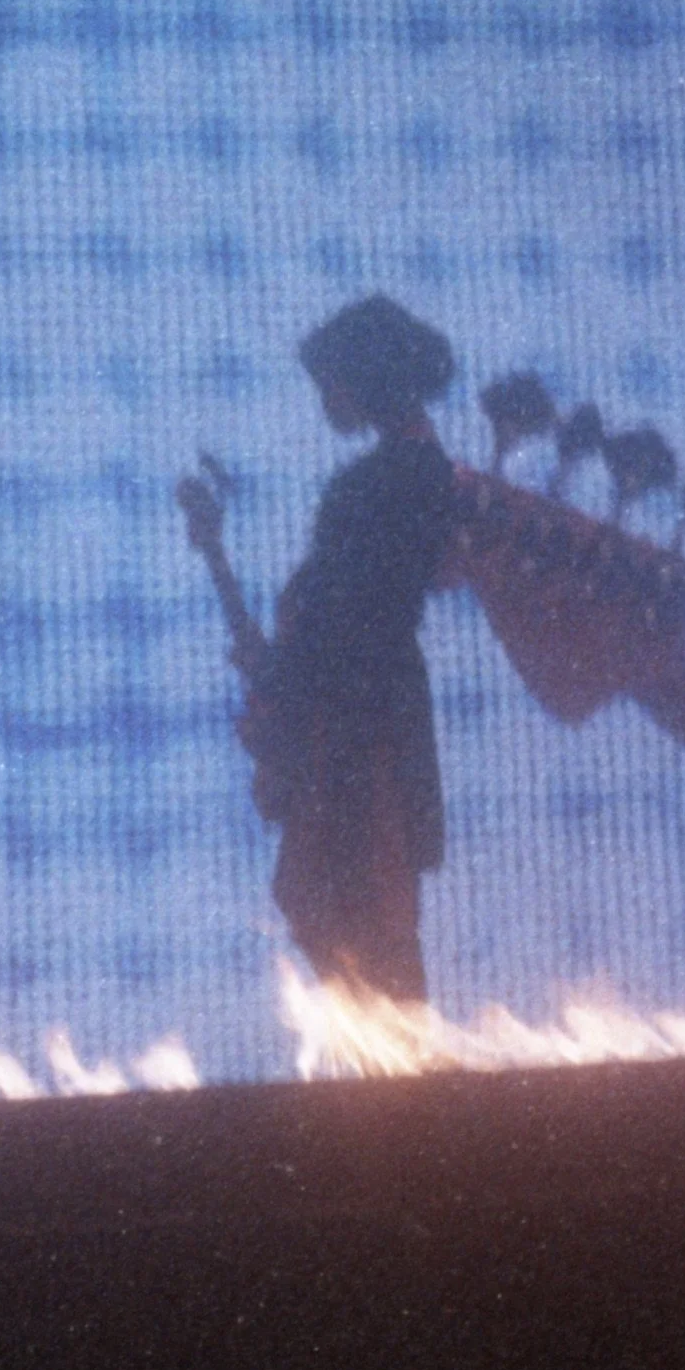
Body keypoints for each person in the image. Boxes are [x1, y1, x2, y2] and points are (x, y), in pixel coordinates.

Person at [200, 296, 458, 1002]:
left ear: (365, 378)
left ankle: (397, 1065)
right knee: (364, 921)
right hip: (372, 720)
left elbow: (341, 629)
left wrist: (282, 675)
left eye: (332, 383)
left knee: (356, 918)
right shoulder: (420, 471)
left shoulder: (375, 485)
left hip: (358, 732)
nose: (325, 400)